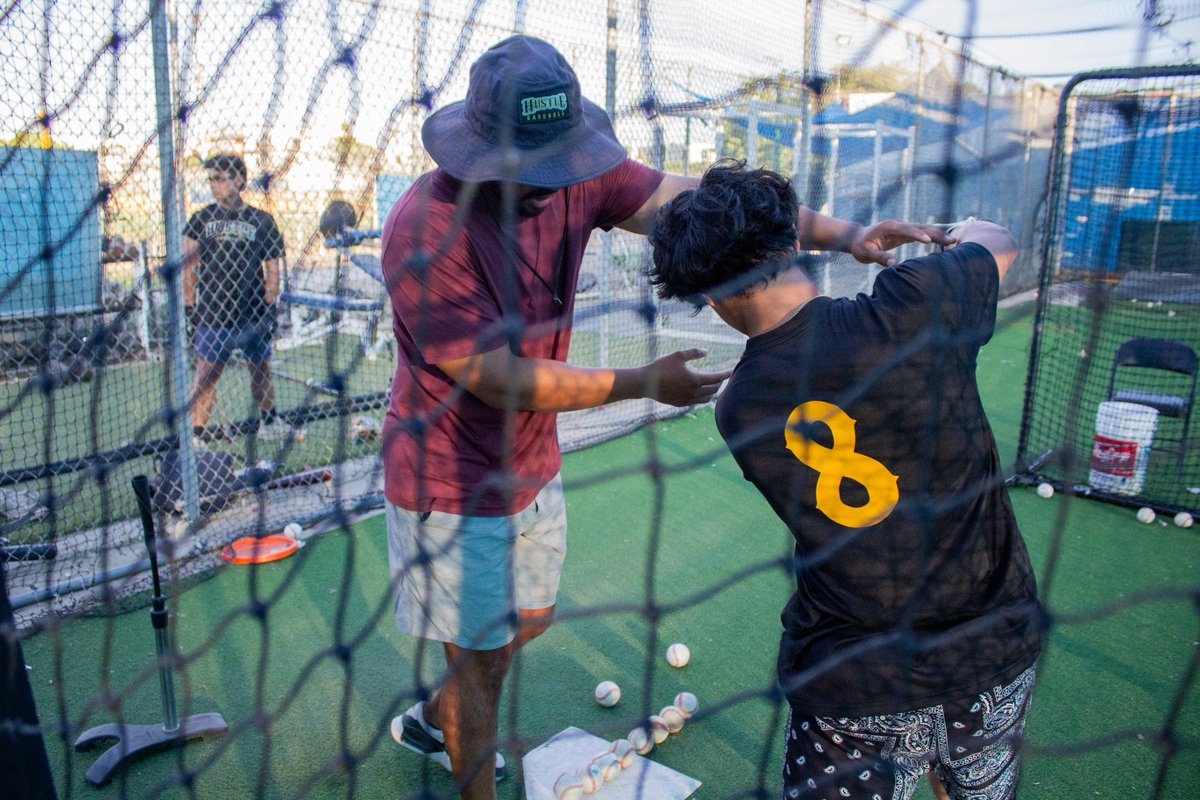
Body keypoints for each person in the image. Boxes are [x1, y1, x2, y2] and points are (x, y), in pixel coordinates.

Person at [379, 36, 945, 799]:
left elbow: (703, 204)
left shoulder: (574, 173)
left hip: (530, 459)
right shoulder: (424, 226)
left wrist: (842, 233)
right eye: (533, 170)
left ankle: (434, 717)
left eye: (562, 162)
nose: (556, 184)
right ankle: (465, 754)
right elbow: (494, 377)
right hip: (448, 472)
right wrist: (644, 381)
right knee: (478, 657)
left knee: (529, 621)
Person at [646, 161, 1045, 800]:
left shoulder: (739, 407)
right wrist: (947, 233)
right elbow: (998, 240)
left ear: (710, 296)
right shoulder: (915, 303)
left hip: (853, 681)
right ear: (795, 245)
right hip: (988, 648)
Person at [182, 153, 288, 444]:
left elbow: (273, 268)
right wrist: (189, 309)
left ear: (239, 180)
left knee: (261, 370)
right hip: (214, 316)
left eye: (220, 178)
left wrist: (269, 307)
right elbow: (188, 268)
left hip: (253, 315)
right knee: (205, 377)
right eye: (211, 179)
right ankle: (196, 436)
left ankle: (269, 421)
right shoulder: (200, 220)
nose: (214, 185)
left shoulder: (262, 220)